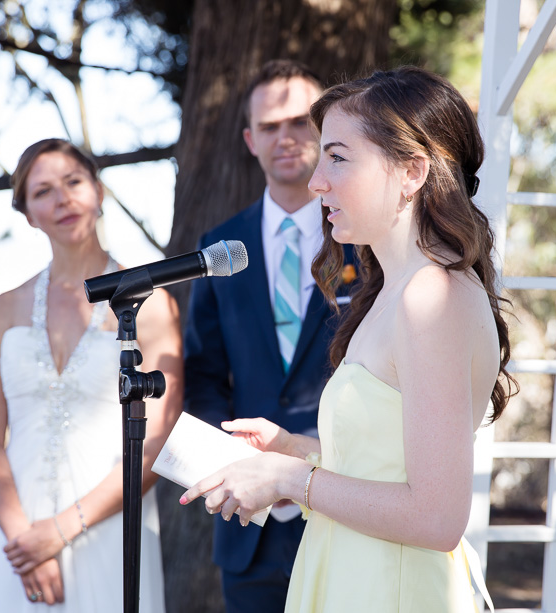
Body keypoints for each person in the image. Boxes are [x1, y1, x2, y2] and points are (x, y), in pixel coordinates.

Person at [180, 66, 518, 612]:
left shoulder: (433, 296)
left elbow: (436, 516)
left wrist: (290, 477)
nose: (317, 181)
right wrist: (295, 451)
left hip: (392, 589)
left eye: (337, 157)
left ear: (411, 172)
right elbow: (385, 468)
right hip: (352, 574)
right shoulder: (392, 292)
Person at [0, 138, 182, 611]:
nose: (62, 198)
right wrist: (27, 541)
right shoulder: (5, 309)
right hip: (18, 535)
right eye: (43, 191)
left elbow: (157, 438)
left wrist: (62, 530)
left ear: (99, 191)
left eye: (73, 182)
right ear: (27, 213)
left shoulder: (152, 304)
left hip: (109, 524)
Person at [182, 59, 355, 612]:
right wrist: (230, 457)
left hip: (343, 508)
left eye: (300, 122)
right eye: (271, 126)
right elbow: (205, 374)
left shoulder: (366, 244)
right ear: (249, 140)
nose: (286, 137)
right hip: (248, 524)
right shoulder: (219, 245)